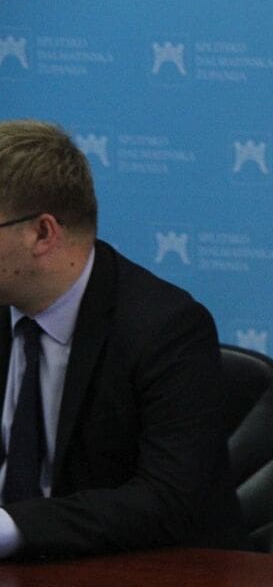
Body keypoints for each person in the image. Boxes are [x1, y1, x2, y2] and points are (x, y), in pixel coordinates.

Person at [0, 119, 247, 560]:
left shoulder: (166, 329)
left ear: (43, 233)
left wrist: (12, 528)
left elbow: (167, 501)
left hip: (135, 582)